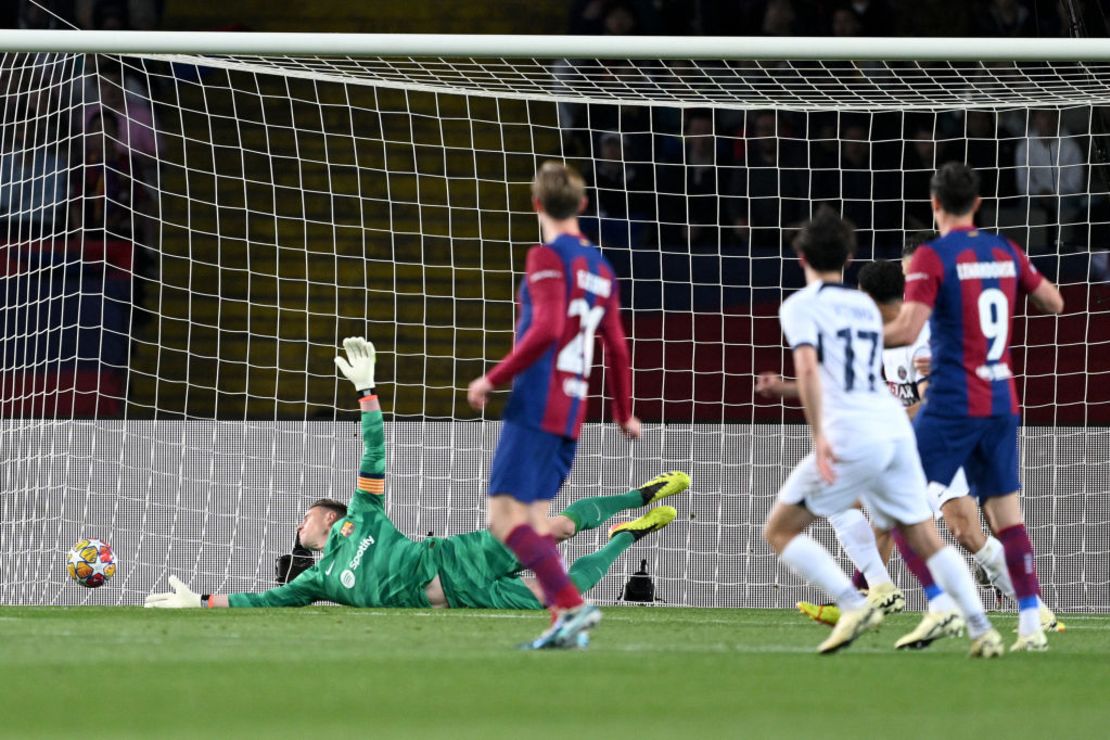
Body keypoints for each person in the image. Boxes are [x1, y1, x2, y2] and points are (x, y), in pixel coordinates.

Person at [146, 337, 688, 636]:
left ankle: (639, 495)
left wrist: (366, 390)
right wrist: (202, 601)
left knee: (553, 528)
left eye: (305, 516)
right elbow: (261, 601)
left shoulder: (363, 511)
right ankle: (628, 536)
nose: (298, 525)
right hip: (464, 600)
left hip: (456, 557)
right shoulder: (316, 583)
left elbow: (375, 452)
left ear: (331, 518)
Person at [761, 209, 1002, 656]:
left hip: (855, 432)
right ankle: (980, 627)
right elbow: (853, 366)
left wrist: (820, 436)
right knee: (925, 537)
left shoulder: (798, 307)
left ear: (800, 257)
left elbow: (814, 371)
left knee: (779, 530)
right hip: (894, 429)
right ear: (849, 257)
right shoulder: (865, 306)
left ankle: (857, 603)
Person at [884, 161, 1065, 651]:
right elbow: (1055, 302)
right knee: (1008, 516)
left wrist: (850, 337)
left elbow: (904, 329)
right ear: (979, 204)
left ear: (935, 204)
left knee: (895, 499)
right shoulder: (1005, 249)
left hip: (952, 400)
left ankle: (940, 605)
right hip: (1002, 396)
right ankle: (1031, 624)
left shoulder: (932, 256)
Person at [467, 161, 641, 649]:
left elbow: (544, 329)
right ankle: (561, 622)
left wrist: (492, 378)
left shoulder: (546, 258)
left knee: (504, 523)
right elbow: (617, 346)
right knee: (535, 524)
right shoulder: (601, 268)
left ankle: (571, 603)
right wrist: (624, 411)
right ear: (583, 205)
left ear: (536, 204)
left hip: (535, 404)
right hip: (570, 410)